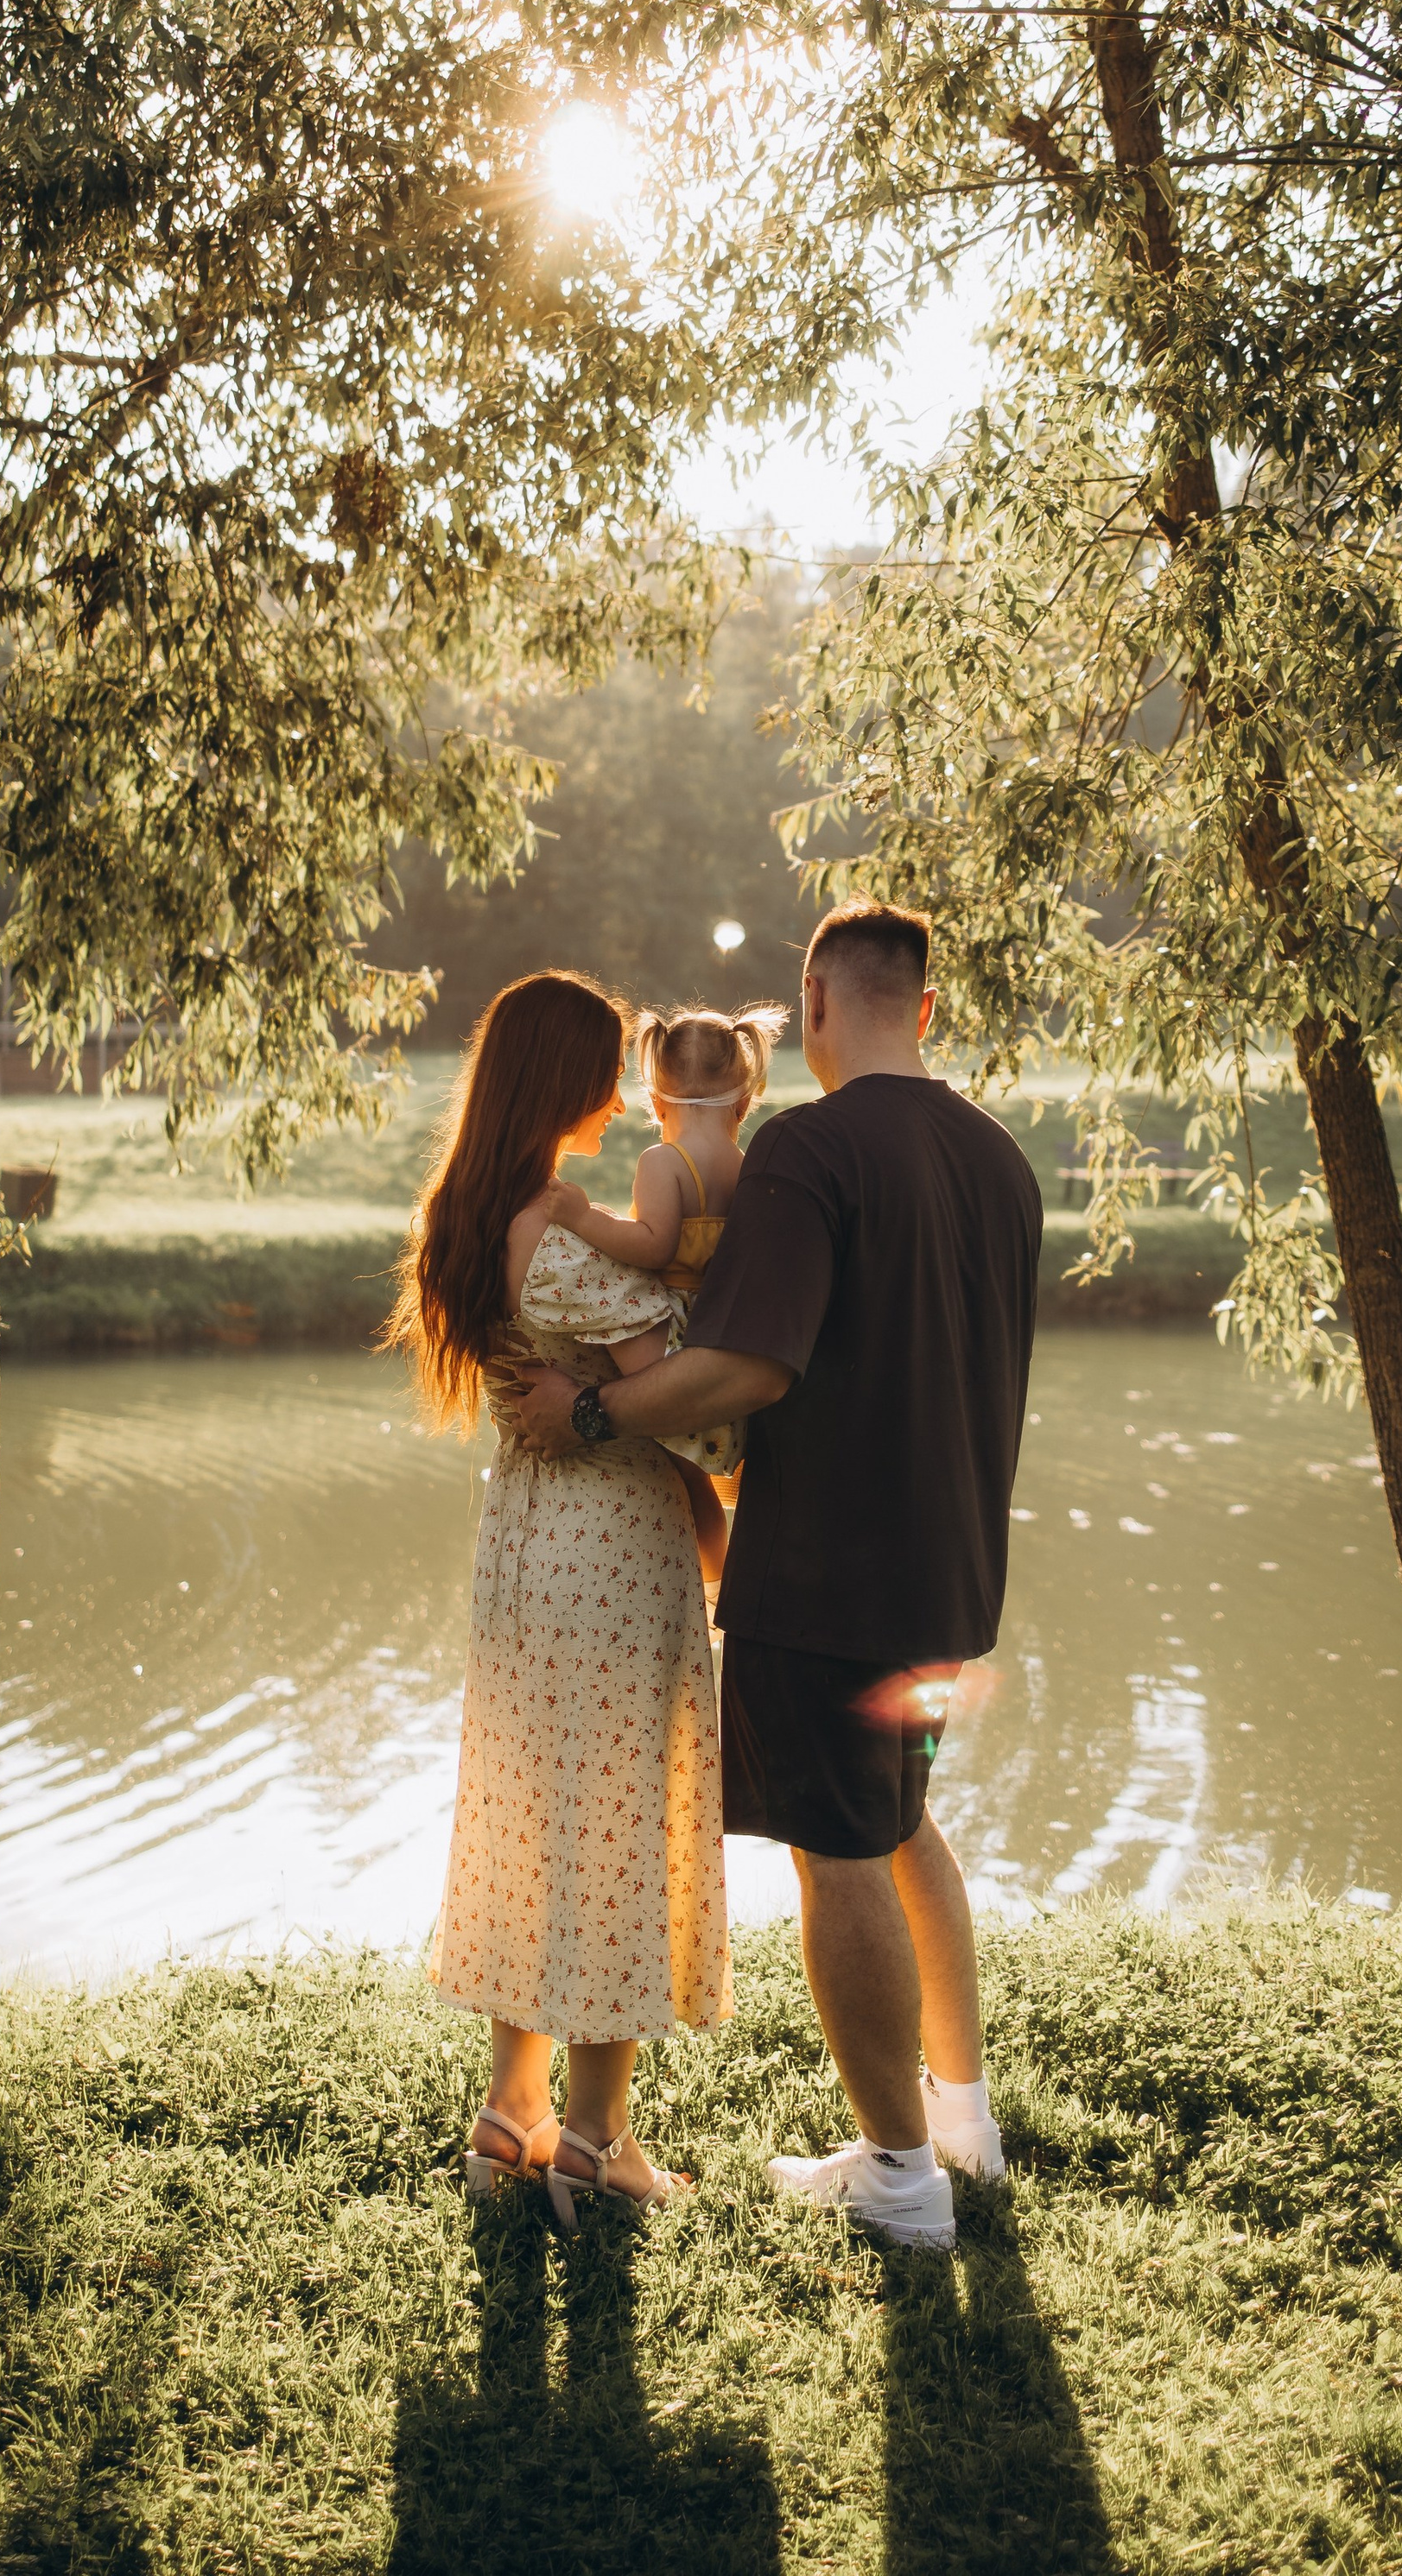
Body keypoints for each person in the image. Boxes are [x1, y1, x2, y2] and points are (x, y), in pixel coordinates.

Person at [517, 900, 1043, 2251]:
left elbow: (745, 1367)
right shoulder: (999, 1158)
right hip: (952, 1571)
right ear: (922, 1011)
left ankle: (901, 2176)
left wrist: (585, 1414)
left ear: (813, 1007)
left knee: (840, 1853)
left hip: (828, 1574)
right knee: (903, 1821)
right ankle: (962, 2115)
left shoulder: (811, 1150)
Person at [389, 970, 727, 2227]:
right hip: (607, 1547)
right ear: (568, 1081)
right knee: (615, 1827)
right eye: (606, 1063)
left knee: (537, 1818)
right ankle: (595, 2142)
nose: (619, 1084)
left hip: (521, 1545)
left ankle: (509, 2112)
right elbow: (700, 1399)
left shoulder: (472, 1216)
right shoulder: (564, 1241)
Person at [549, 1001, 789, 1581]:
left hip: (675, 1330)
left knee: (677, 1471)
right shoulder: (744, 1163)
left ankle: (710, 1580)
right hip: (725, 1332)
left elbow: (654, 1246)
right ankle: (726, 1579)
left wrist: (585, 1219)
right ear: (743, 1100)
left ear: (657, 1104)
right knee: (712, 1478)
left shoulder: (664, 1162)